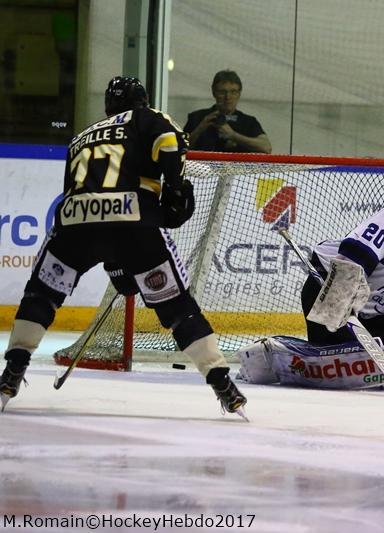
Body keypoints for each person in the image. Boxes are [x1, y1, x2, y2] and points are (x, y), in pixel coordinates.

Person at [0, 76, 247, 419]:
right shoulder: (147, 118)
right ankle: (222, 382)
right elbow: (170, 142)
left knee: (40, 296)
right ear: (142, 101)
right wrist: (175, 188)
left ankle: (12, 371)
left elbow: (81, 193)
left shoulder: (82, 136)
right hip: (134, 221)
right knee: (178, 307)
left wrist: (114, 263)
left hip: (74, 224)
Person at [236, 173, 384, 390]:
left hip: (362, 311)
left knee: (380, 355)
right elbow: (357, 251)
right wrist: (342, 293)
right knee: (335, 361)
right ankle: (265, 356)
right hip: (328, 290)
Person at [184, 70, 272, 154]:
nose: (228, 97)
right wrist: (199, 129)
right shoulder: (197, 117)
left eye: (233, 92)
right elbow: (180, 148)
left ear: (239, 94)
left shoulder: (249, 122)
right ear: (214, 93)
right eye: (222, 92)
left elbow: (266, 148)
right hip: (202, 165)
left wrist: (233, 135)